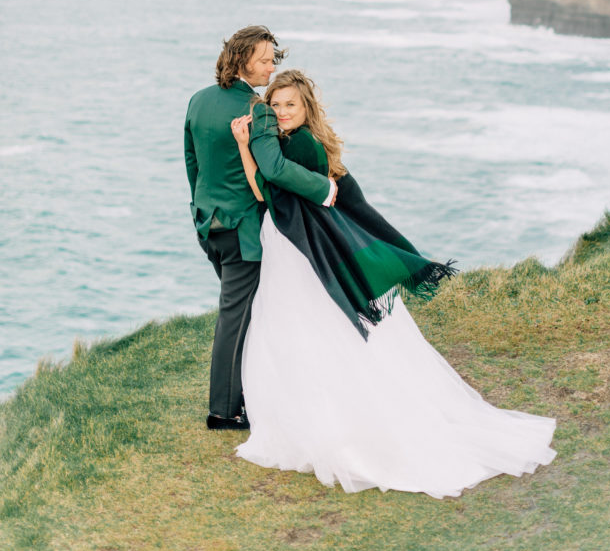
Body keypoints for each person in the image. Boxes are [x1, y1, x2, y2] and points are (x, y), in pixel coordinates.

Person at [230, 69, 557, 499]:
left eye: (290, 104)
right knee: (288, 329)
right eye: (275, 104)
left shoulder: (303, 144)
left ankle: (333, 425)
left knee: (309, 329)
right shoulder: (281, 143)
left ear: (307, 108)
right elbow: (261, 192)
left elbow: (275, 183)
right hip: (284, 241)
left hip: (300, 249)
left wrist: (256, 146)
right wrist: (243, 145)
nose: (281, 111)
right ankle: (306, 422)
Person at [184, 27, 337, 431]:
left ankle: (249, 393)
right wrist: (325, 187)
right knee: (235, 316)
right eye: (266, 59)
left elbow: (193, 165)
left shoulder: (198, 101)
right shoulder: (258, 109)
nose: (272, 67)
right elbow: (274, 168)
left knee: (247, 311)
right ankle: (224, 411)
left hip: (208, 226)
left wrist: (201, 210)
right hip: (243, 232)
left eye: (273, 59)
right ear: (242, 60)